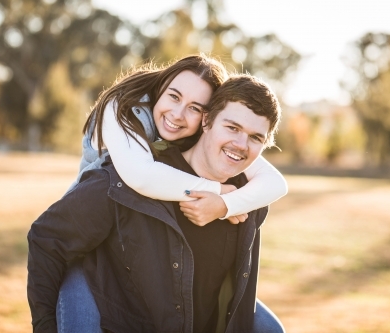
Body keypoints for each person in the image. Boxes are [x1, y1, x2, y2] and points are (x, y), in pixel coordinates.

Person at [27, 74, 286, 333]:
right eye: (232, 128)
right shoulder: (126, 178)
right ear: (206, 121)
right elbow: (47, 238)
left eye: (255, 138)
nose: (241, 145)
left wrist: (227, 203)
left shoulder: (248, 199)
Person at [70, 54, 287, 226]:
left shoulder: (208, 128)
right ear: (162, 87)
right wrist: (217, 190)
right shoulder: (121, 106)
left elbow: (275, 182)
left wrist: (224, 205)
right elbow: (140, 176)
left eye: (194, 107)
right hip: (78, 218)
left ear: (206, 117)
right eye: (174, 96)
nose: (177, 114)